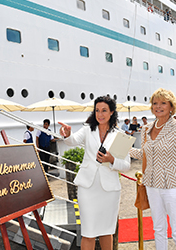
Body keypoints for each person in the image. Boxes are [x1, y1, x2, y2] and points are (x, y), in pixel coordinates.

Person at [58, 96, 130, 250]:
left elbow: (126, 165)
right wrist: (67, 134)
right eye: (97, 110)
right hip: (87, 187)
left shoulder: (120, 136)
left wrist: (111, 160)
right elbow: (73, 141)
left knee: (107, 231)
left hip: (109, 190)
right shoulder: (87, 129)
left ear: (111, 112)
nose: (100, 114)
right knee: (88, 232)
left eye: (104, 110)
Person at [130, 88, 176, 250]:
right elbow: (143, 154)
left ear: (171, 107)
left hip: (174, 187)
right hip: (151, 186)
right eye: (155, 103)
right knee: (158, 229)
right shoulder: (146, 129)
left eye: (163, 103)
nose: (158, 106)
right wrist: (119, 147)